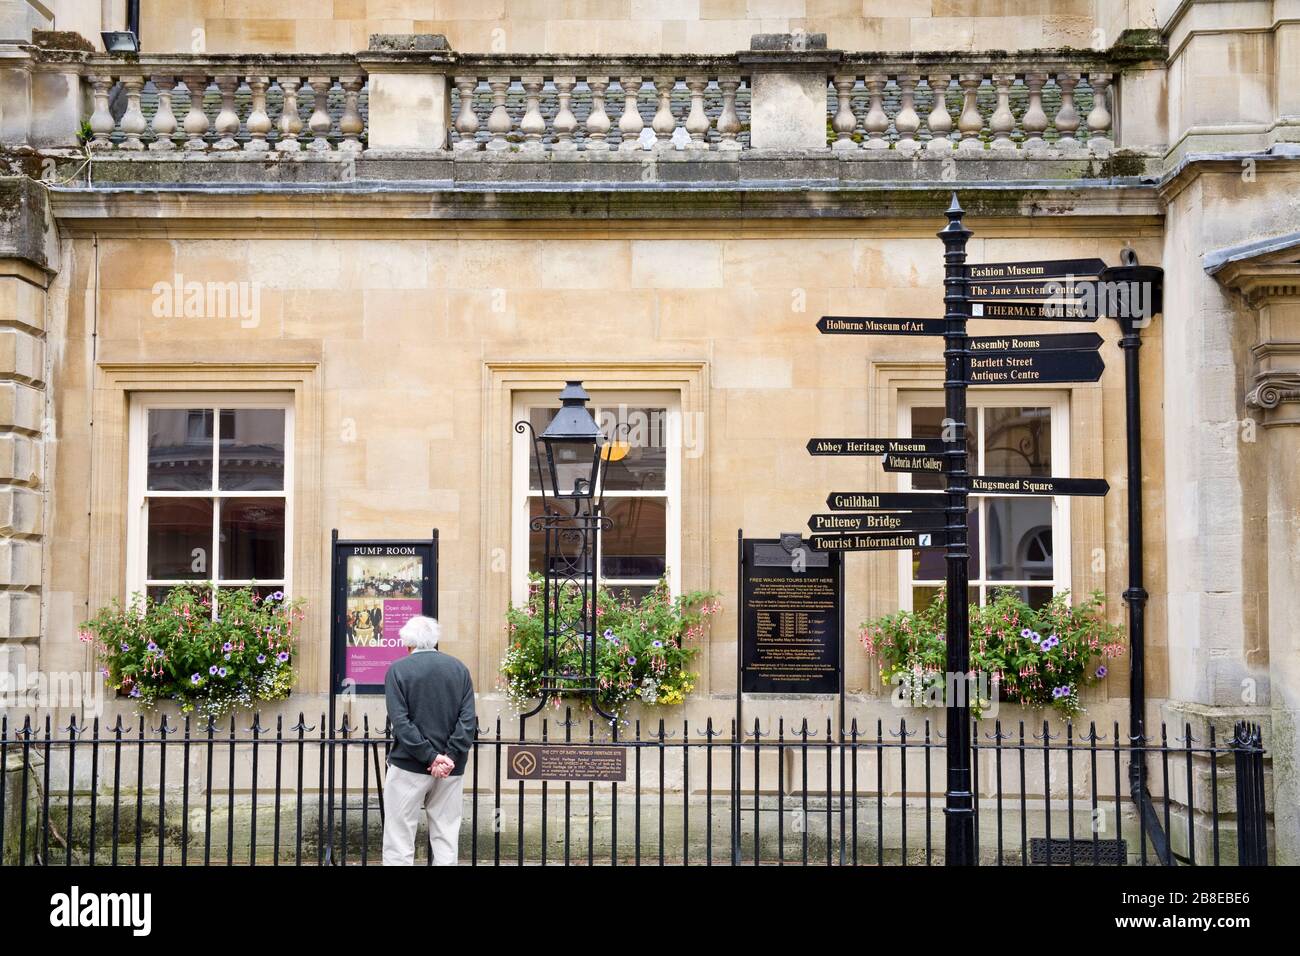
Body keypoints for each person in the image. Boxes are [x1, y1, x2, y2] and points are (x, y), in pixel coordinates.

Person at [381, 615, 476, 866]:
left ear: (407, 643)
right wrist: (449, 757)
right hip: (451, 769)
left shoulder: (398, 670)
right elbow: (468, 722)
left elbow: (400, 723)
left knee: (399, 837)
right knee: (446, 835)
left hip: (408, 765)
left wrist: (430, 756)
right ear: (435, 640)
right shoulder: (459, 669)